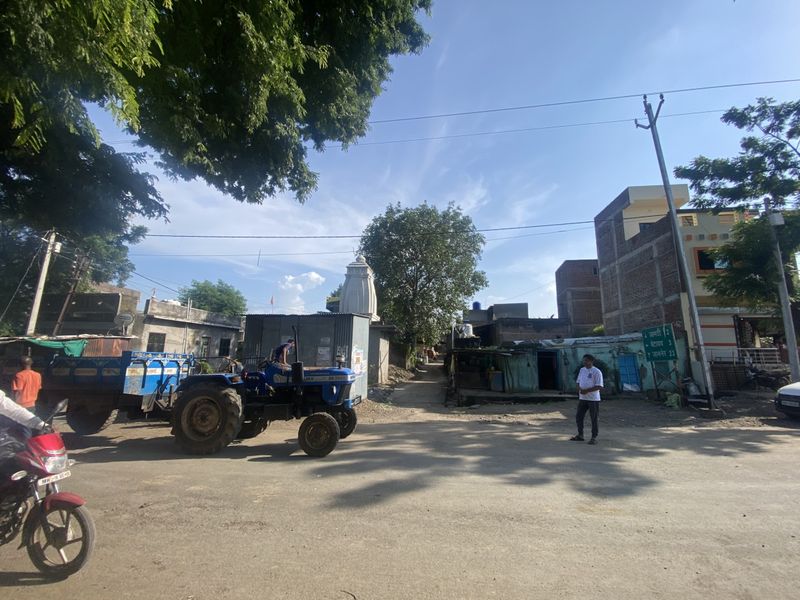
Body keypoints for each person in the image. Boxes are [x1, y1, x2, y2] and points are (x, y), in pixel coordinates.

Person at [570, 354, 604, 445]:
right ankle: (580, 435)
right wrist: (579, 389)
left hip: (593, 399)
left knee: (594, 418)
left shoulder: (597, 371)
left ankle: (594, 437)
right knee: (579, 416)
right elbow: (578, 382)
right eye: (584, 360)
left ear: (591, 361)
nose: (584, 362)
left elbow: (599, 386)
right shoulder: (582, 370)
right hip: (583, 398)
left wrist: (587, 391)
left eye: (586, 360)